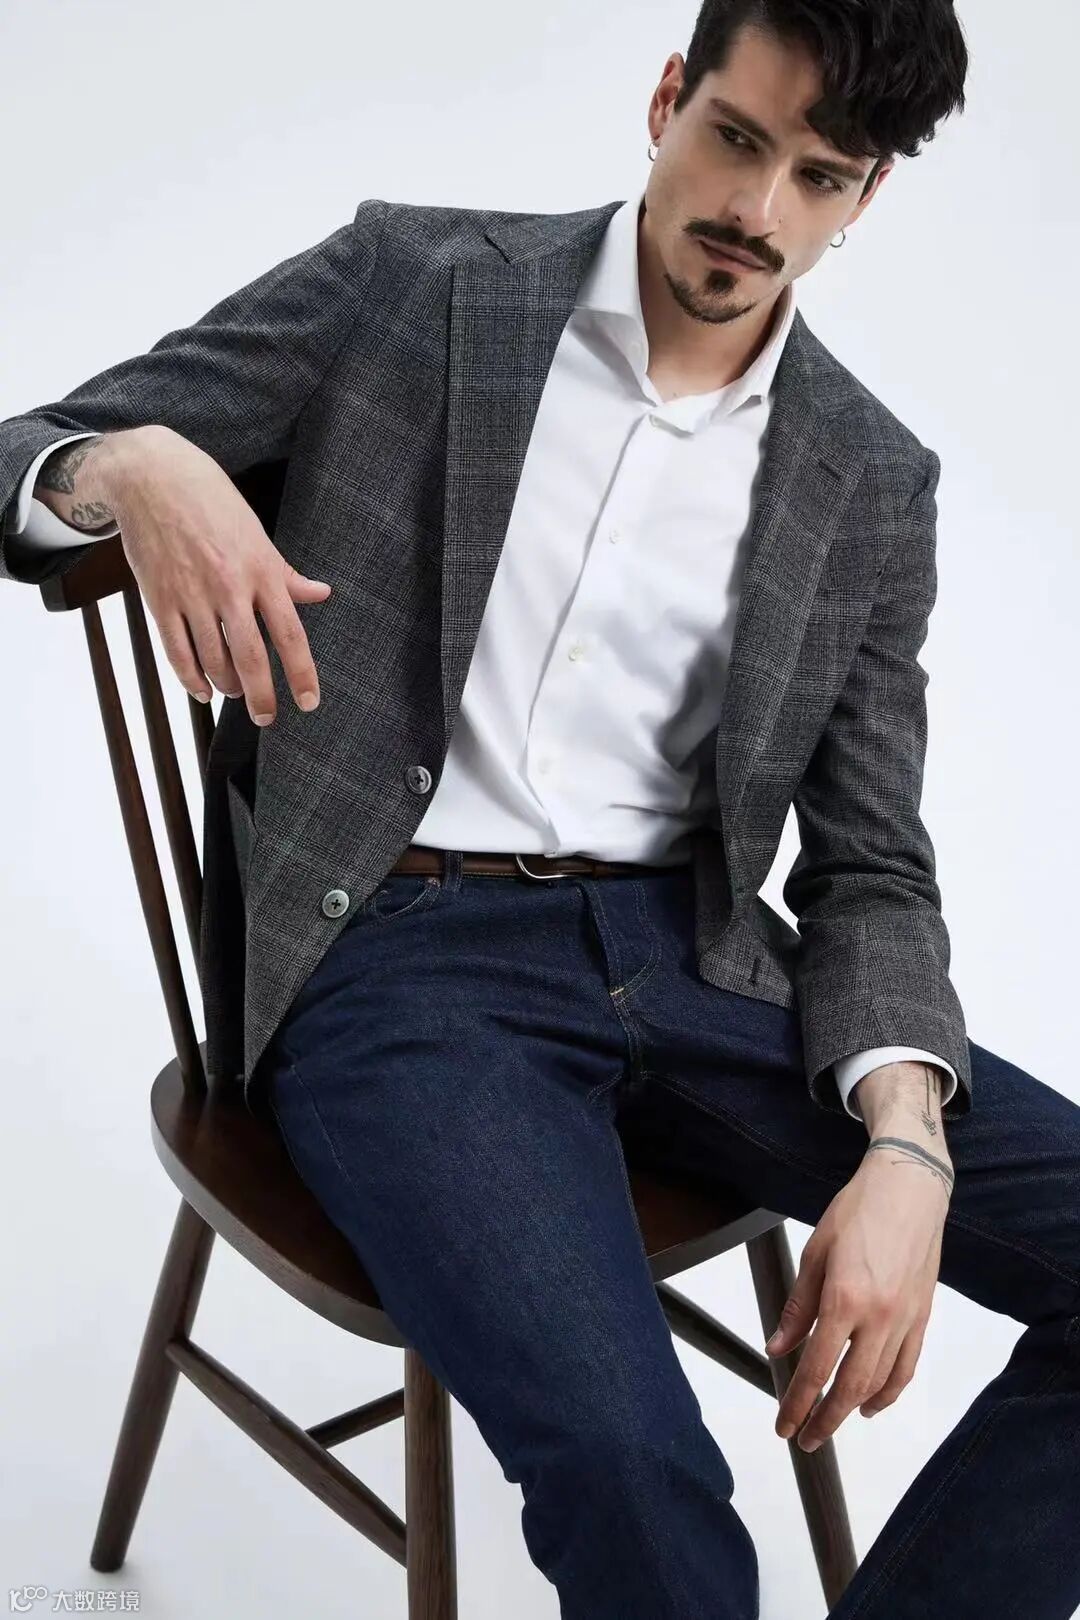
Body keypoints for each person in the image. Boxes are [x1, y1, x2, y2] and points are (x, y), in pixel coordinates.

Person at [3, 3, 1078, 1616]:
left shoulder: (869, 478)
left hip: (698, 963)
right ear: (667, 98)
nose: (757, 209)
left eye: (817, 175)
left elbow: (872, 864)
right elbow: (22, 451)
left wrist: (907, 1144)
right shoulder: (412, 285)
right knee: (634, 1471)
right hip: (402, 956)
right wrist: (142, 461)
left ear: (865, 195)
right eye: (734, 138)